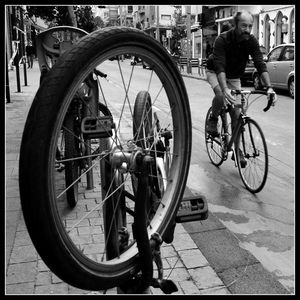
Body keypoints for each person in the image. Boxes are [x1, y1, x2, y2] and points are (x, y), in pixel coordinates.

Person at [206, 11, 277, 167]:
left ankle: (237, 151)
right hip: (215, 72)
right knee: (220, 95)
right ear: (235, 24)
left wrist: (270, 88)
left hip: (235, 77)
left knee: (237, 115)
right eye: (244, 25)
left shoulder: (251, 41)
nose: (247, 29)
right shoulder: (222, 40)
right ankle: (213, 118)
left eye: (250, 26)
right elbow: (220, 66)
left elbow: (260, 63)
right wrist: (224, 89)